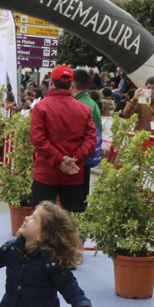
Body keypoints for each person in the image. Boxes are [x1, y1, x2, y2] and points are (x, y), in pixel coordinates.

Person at [30, 65, 96, 214]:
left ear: (51, 82)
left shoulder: (41, 108)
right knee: (72, 224)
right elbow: (91, 140)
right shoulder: (84, 109)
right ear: (71, 85)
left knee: (42, 223)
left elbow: (39, 139)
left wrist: (60, 160)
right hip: (74, 173)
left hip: (46, 173)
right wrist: (74, 158)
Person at [70, 68, 102, 205]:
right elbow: (98, 131)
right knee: (83, 192)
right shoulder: (93, 104)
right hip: (87, 154)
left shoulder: (77, 104)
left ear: (72, 83)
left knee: (75, 195)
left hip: (75, 155)